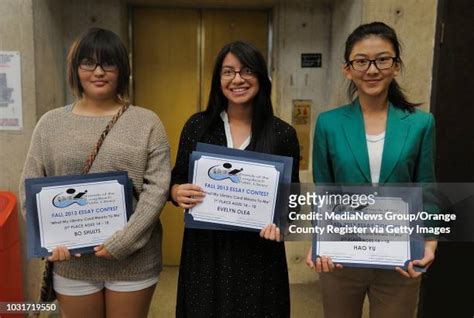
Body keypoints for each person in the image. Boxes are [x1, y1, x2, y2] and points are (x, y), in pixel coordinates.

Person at [19, 28, 171, 318]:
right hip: (72, 261)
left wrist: (124, 242)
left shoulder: (146, 122)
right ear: (76, 69)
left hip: (133, 260)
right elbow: (30, 186)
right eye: (88, 63)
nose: (98, 72)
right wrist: (48, 239)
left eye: (108, 63)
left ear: (121, 70)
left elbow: (157, 189)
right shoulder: (50, 124)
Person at [305, 22, 437, 318]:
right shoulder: (328, 123)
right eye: (361, 61)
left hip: (400, 260)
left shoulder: (420, 123)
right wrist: (318, 241)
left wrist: (430, 243)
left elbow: (427, 188)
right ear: (348, 69)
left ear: (396, 66)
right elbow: (324, 191)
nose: (372, 69)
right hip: (342, 256)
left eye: (382, 59)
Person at [170, 41, 300, 317]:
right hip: (205, 250)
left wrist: (281, 223)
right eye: (228, 72)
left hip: (259, 253)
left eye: (246, 71)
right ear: (218, 80)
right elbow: (177, 178)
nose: (237, 79)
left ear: (261, 78)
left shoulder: (282, 134)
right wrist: (176, 191)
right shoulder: (198, 126)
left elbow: (292, 200)